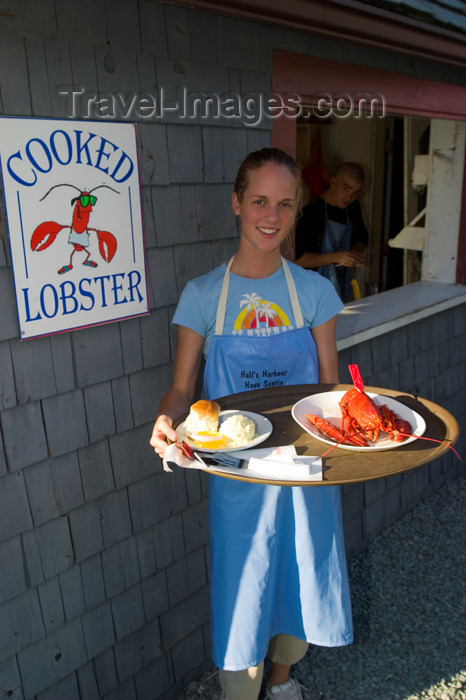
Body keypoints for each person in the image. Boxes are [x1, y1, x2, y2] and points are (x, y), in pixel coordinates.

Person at [150, 148, 353, 700]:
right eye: (259, 201)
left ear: (296, 211)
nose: (272, 216)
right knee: (243, 588)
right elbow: (182, 389)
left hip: (306, 468)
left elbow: (331, 393)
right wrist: (166, 420)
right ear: (237, 203)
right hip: (237, 475)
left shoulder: (314, 293)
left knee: (299, 573)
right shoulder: (203, 296)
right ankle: (241, 690)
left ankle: (283, 681)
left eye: (285, 204)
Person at [294, 162, 368, 301]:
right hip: (311, 294)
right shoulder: (310, 212)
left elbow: (362, 238)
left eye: (355, 193)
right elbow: (297, 259)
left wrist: (355, 253)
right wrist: (337, 257)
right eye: (346, 189)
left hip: (341, 287)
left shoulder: (353, 208)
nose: (349, 197)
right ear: (333, 181)